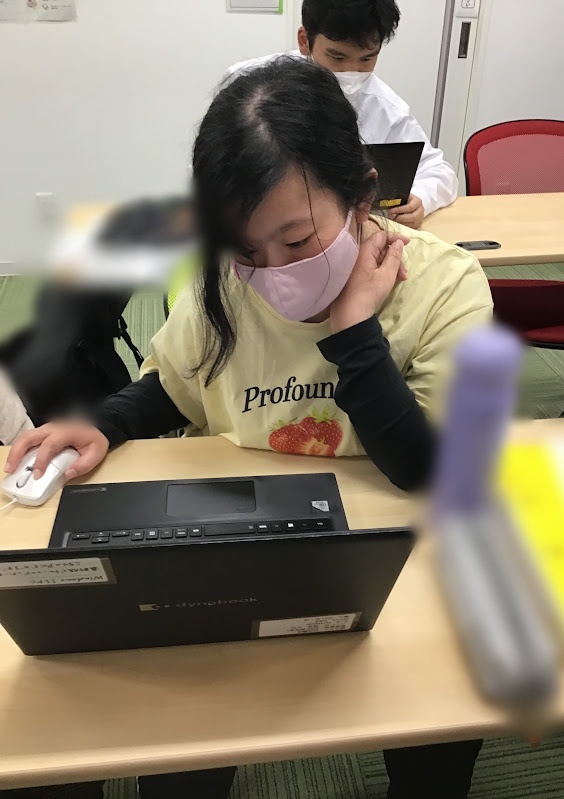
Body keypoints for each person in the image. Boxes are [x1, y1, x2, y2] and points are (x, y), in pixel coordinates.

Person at [6, 58, 491, 798]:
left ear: (363, 197)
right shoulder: (225, 287)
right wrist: (104, 424)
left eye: (297, 242)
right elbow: (174, 384)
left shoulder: (444, 285)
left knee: (442, 716)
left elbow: (426, 469)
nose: (272, 273)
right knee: (173, 739)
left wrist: (354, 328)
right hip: (241, 551)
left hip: (396, 565)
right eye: (246, 249)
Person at [224, 0, 458, 230]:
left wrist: (422, 198)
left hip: (350, 232)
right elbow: (214, 167)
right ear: (305, 40)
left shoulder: (385, 107)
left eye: (367, 58)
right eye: (337, 57)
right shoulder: (249, 85)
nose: (351, 72)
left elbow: (438, 171)